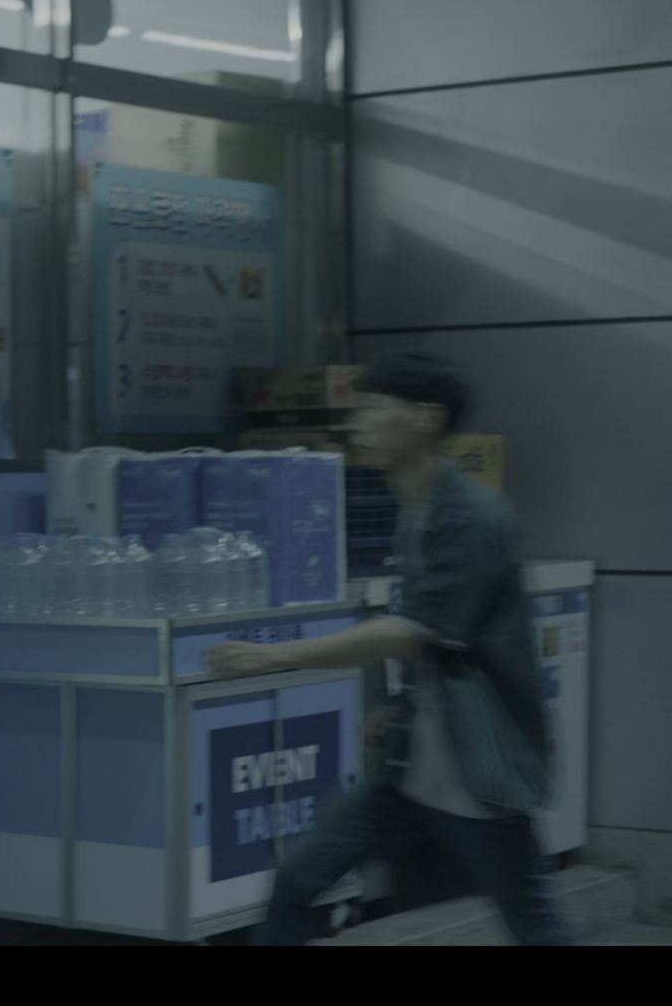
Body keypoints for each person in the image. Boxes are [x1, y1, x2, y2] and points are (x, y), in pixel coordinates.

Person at [208, 352, 570, 946]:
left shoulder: (473, 518)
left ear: (426, 418)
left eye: (372, 407)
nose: (356, 423)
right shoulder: (417, 506)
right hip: (411, 773)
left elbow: (412, 628)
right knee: (298, 880)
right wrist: (400, 707)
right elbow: (431, 638)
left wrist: (275, 657)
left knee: (535, 926)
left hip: (477, 778)